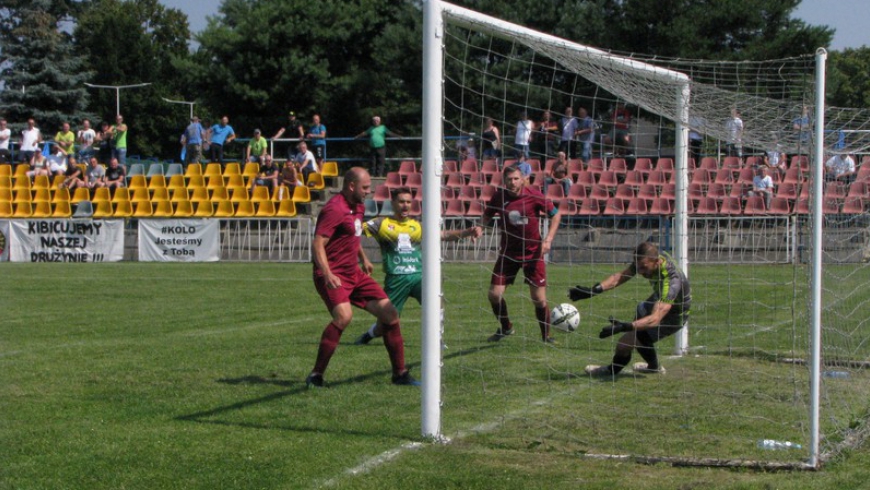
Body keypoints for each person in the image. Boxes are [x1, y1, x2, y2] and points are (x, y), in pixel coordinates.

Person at [305, 167, 419, 388]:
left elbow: (352, 235)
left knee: (390, 313)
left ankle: (400, 374)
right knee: (343, 317)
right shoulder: (334, 209)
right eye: (365, 187)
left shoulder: (357, 205)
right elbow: (318, 243)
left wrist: (363, 258)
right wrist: (327, 273)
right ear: (351, 186)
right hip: (333, 274)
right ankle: (316, 375)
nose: (369, 191)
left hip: (353, 272)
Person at [354, 187, 482, 345]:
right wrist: (364, 259)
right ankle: (369, 334)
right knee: (385, 324)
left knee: (437, 300)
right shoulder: (382, 223)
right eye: (401, 202)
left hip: (418, 276)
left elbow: (443, 235)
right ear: (393, 203)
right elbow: (353, 233)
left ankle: (437, 341)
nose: (405, 205)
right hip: (396, 280)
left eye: (408, 202)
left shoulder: (418, 226)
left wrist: (466, 232)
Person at [569, 241, 691, 377]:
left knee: (625, 343)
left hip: (675, 315)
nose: (640, 272)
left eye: (643, 268)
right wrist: (594, 290)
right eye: (638, 268)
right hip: (659, 299)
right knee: (640, 313)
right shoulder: (649, 257)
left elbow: (654, 319)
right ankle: (653, 366)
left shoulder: (671, 281)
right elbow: (621, 276)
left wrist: (625, 327)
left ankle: (612, 370)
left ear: (656, 262)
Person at [474, 165, 563, 344]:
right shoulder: (499, 197)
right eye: (509, 179)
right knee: (494, 294)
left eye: (516, 178)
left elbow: (556, 215)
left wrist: (548, 239)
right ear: (504, 180)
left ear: (522, 179)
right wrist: (480, 227)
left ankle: (546, 336)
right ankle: (506, 327)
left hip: (533, 253)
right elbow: (487, 215)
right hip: (508, 253)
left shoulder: (534, 195)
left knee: (538, 299)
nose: (512, 182)